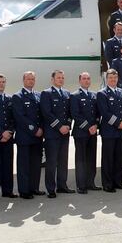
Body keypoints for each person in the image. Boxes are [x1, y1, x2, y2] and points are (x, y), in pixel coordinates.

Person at [40, 70, 74, 198]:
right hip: (52, 134)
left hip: (64, 133)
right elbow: (46, 113)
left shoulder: (66, 93)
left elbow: (69, 113)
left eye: (62, 78)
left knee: (63, 161)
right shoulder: (46, 93)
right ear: (52, 79)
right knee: (51, 162)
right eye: (58, 78)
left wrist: (68, 125)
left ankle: (62, 186)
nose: (61, 80)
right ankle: (51, 189)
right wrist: (60, 126)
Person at [12, 71, 45, 199]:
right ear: (23, 80)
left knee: (36, 164)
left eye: (33, 79)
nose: (31, 81)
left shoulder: (38, 95)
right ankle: (24, 190)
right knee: (24, 165)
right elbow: (20, 117)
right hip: (25, 136)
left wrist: (41, 128)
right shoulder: (18, 96)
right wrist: (34, 129)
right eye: (28, 79)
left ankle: (34, 188)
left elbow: (41, 114)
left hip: (37, 137)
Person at [97, 69, 122, 192]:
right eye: (111, 78)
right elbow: (104, 112)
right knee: (108, 159)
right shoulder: (102, 93)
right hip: (109, 131)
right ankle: (107, 184)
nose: (113, 80)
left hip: (120, 131)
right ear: (107, 78)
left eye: (115, 78)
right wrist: (118, 123)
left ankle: (118, 182)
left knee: (118, 158)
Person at [71, 72, 101, 193]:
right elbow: (75, 114)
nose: (87, 81)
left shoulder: (94, 95)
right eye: (84, 79)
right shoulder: (75, 96)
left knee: (91, 159)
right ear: (80, 81)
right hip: (81, 132)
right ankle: (81, 185)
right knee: (81, 160)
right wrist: (88, 126)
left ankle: (90, 183)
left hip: (92, 132)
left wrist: (96, 125)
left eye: (88, 79)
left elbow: (98, 113)